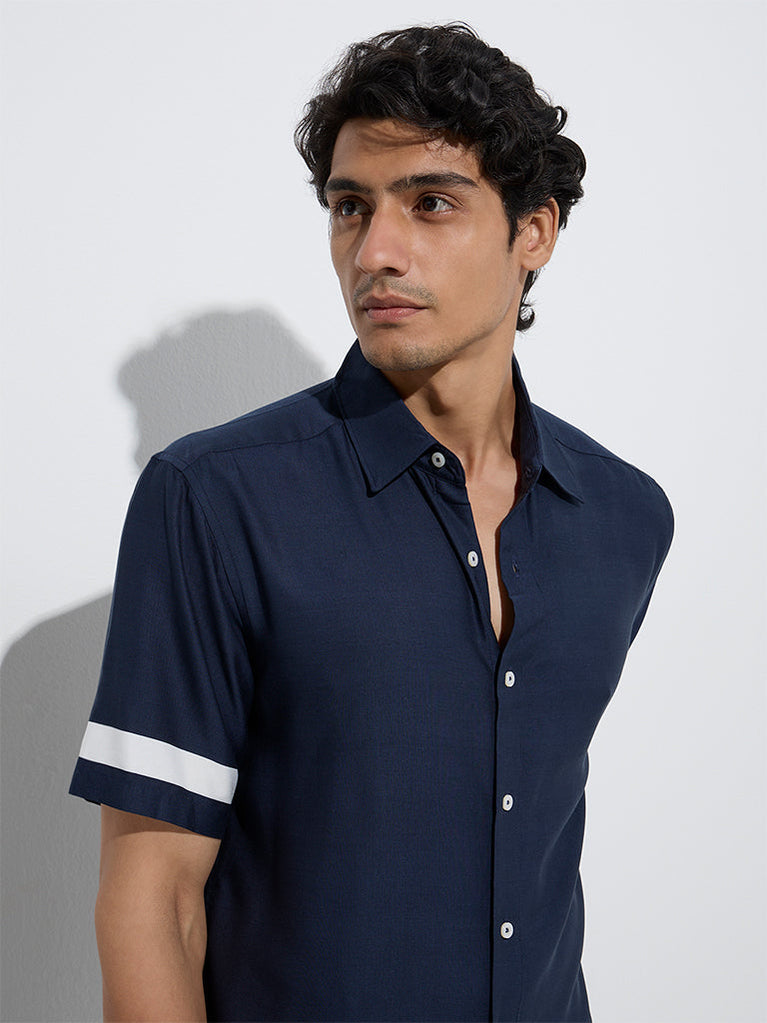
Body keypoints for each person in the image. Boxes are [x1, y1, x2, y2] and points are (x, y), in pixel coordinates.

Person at [70, 22, 673, 1023]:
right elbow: (152, 902)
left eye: (430, 203)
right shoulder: (213, 499)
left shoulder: (621, 516)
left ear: (534, 231)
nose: (375, 251)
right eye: (350, 208)